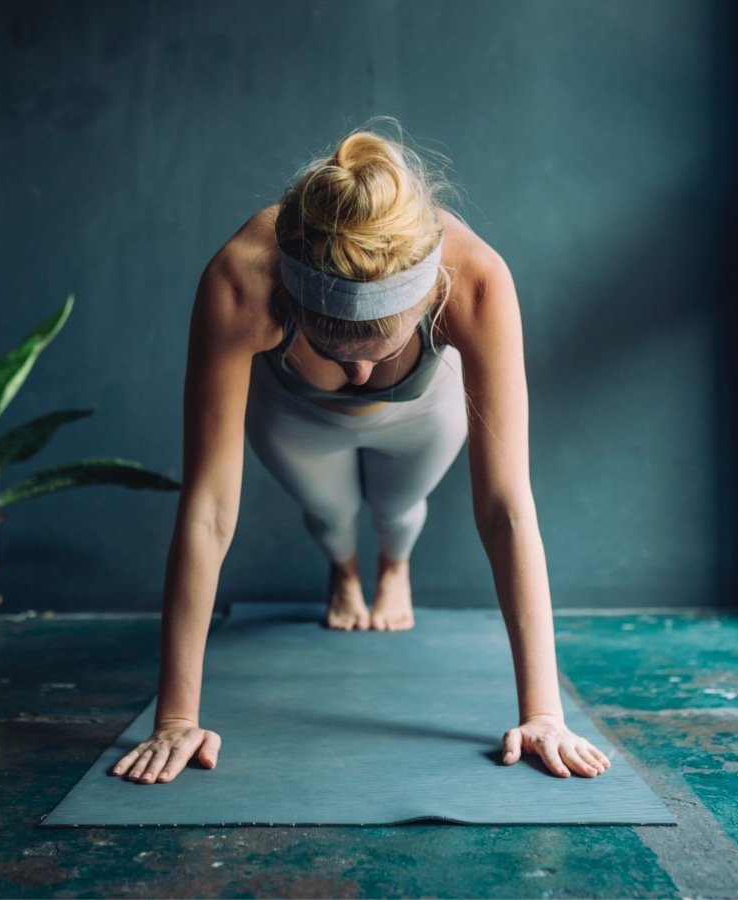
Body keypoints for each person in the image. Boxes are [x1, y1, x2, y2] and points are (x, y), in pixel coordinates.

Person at [111, 122, 611, 786]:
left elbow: (505, 508)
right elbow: (207, 509)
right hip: (294, 416)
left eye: (378, 353)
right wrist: (176, 717)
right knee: (329, 515)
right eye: (337, 352)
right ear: (290, 298)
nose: (358, 376)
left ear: (430, 296)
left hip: (422, 413)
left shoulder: (478, 281)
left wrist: (543, 712)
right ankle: (345, 569)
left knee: (399, 507)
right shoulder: (240, 279)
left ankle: (394, 564)